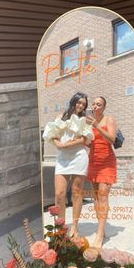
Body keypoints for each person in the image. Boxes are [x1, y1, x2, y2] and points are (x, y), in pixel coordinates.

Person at [43, 92, 93, 236]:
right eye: (79, 102)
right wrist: (60, 144)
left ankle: (75, 226)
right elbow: (51, 135)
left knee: (77, 193)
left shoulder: (84, 120)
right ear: (74, 101)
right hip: (63, 159)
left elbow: (87, 140)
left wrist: (69, 144)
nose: (81, 105)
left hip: (79, 156)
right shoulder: (60, 117)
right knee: (59, 194)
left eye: (84, 104)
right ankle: (61, 225)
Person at [86, 96, 117, 248]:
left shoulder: (108, 119)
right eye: (94, 104)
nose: (95, 106)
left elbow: (112, 139)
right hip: (93, 161)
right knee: (97, 197)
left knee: (103, 194)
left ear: (104, 107)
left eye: (99, 104)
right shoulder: (88, 122)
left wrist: (97, 126)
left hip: (107, 162)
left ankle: (99, 236)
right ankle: (101, 229)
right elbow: (88, 144)